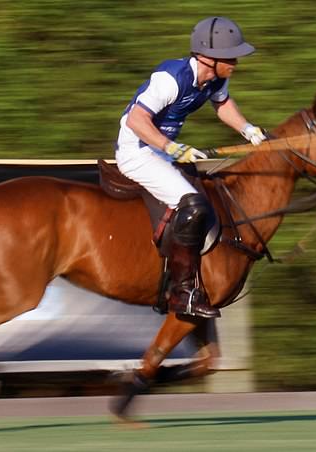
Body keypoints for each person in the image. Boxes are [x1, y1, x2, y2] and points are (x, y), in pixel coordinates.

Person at [115, 16, 266, 318]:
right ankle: (183, 292)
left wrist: (248, 129)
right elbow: (136, 120)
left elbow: (222, 105)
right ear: (209, 57)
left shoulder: (217, 78)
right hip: (137, 151)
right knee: (194, 205)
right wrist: (172, 148)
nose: (236, 62)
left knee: (207, 192)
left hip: (161, 152)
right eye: (231, 56)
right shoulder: (171, 78)